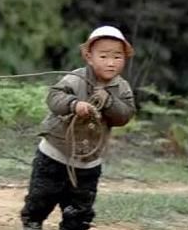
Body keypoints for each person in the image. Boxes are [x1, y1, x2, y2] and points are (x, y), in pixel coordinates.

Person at [20, 26, 136, 230]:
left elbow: (124, 115)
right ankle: (32, 222)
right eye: (104, 56)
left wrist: (109, 102)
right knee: (40, 198)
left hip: (89, 162)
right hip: (55, 154)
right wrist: (74, 104)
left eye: (117, 57)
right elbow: (54, 98)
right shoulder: (74, 78)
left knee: (80, 210)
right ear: (89, 57)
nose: (111, 62)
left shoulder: (122, 88)